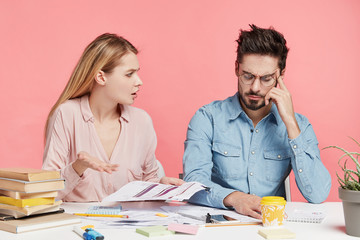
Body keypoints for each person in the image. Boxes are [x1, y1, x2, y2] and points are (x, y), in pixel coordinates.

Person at [183, 24, 331, 219]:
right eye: (248, 76)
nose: (255, 88)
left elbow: (318, 194)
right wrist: (236, 199)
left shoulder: (299, 125)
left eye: (267, 79)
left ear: (281, 75)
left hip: (273, 228)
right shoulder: (207, 118)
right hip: (219, 226)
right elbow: (193, 183)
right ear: (237, 68)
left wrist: (291, 125)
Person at [43, 33, 184, 202]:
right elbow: (46, 191)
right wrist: (78, 167)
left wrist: (160, 185)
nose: (139, 82)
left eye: (137, 73)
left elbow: (149, 180)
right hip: (78, 225)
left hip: (126, 224)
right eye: (129, 74)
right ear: (101, 77)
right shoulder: (66, 114)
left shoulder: (142, 121)